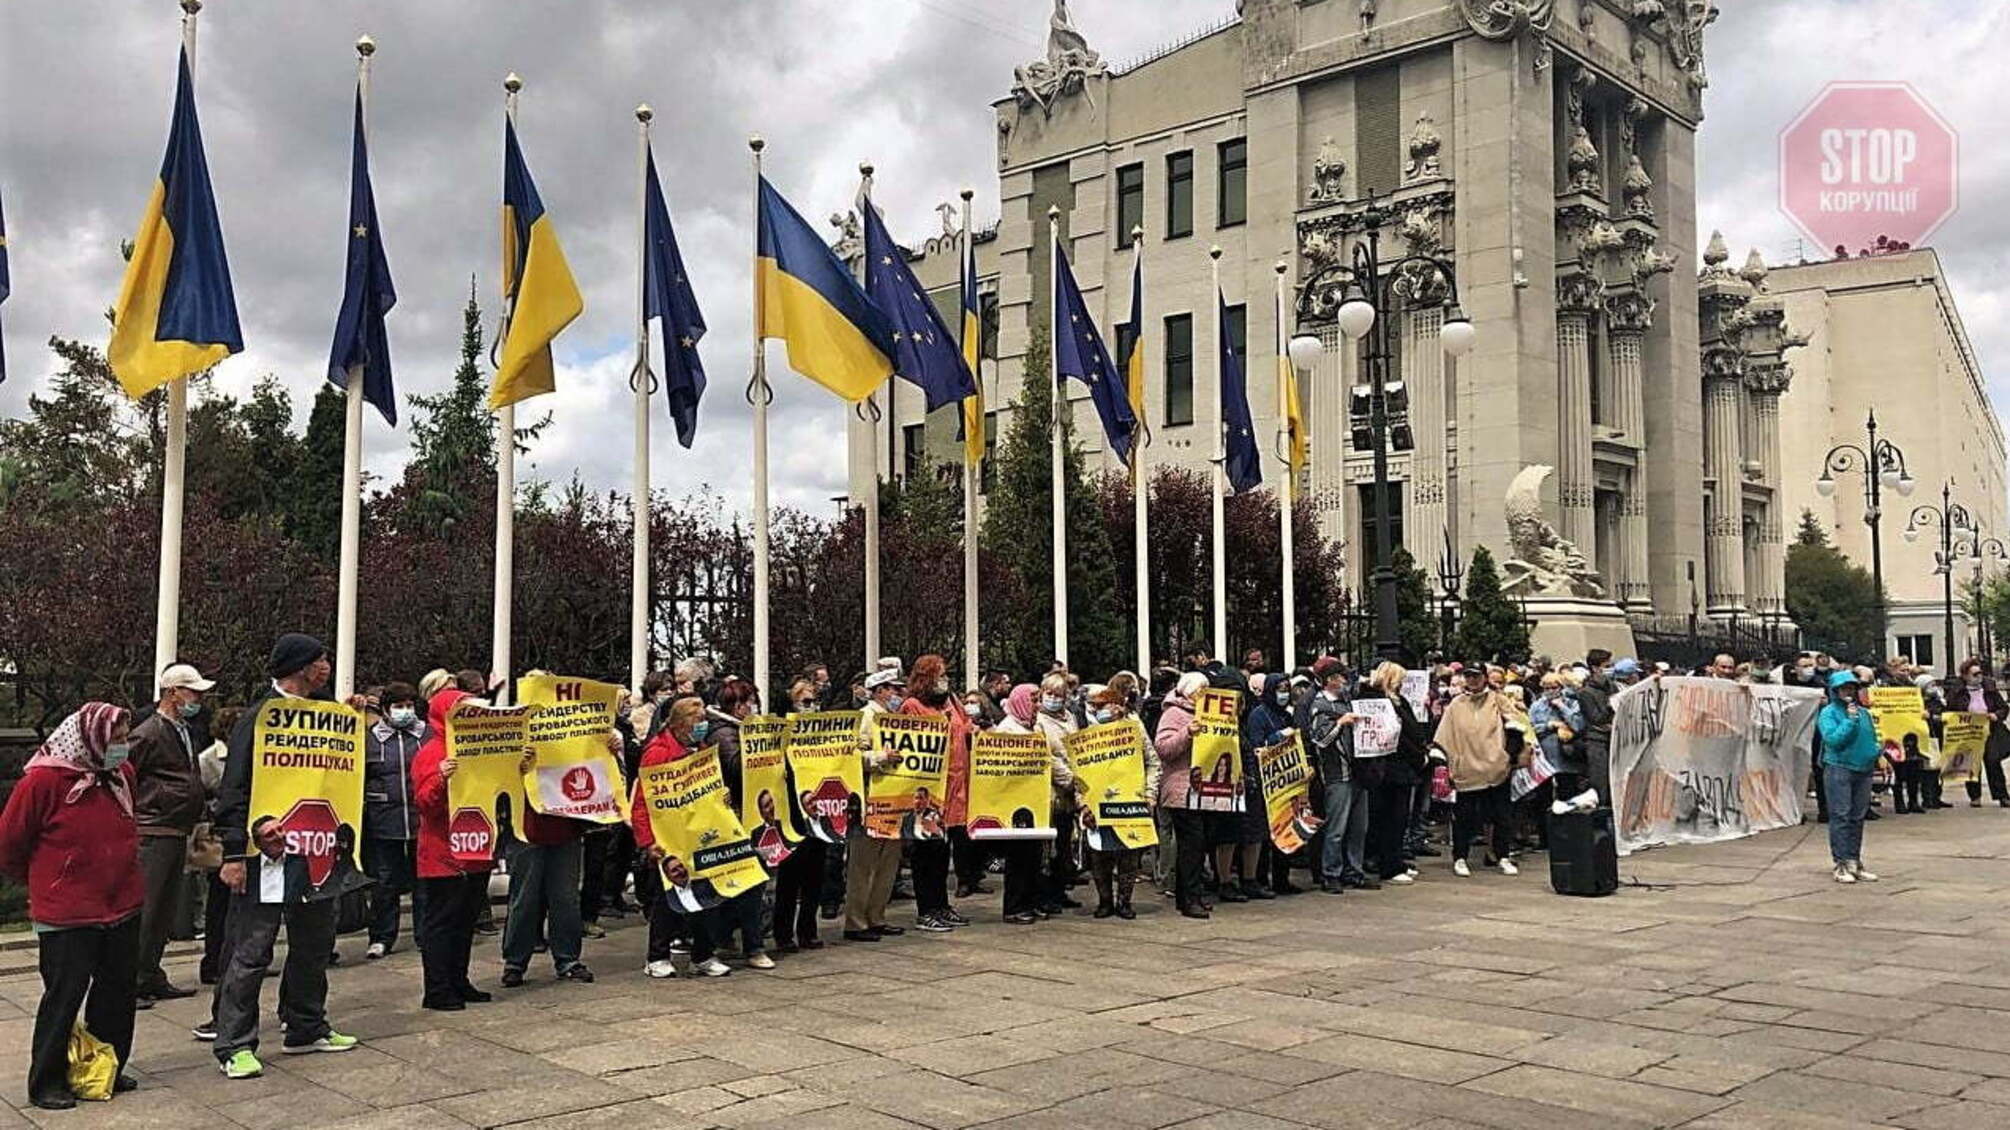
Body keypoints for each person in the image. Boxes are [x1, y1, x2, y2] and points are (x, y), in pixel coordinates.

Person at [209, 635, 362, 1079]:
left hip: (317, 854)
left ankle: (306, 1025)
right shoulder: (259, 719)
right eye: (320, 660)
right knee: (252, 950)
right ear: (298, 667)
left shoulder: (327, 715)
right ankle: (235, 1043)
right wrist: (235, 852)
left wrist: (351, 717)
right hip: (267, 855)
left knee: (314, 943)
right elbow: (234, 789)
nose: (327, 667)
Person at [0, 703, 142, 1110]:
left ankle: (106, 1066)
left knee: (117, 993)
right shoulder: (44, 781)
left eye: (124, 738)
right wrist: (46, 883)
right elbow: (10, 843)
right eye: (115, 738)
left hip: (121, 902)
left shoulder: (120, 776)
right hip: (68, 910)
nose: (123, 746)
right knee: (63, 996)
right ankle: (47, 1079)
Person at [634, 696, 770, 976]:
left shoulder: (701, 749)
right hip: (671, 837)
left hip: (701, 834)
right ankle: (657, 957)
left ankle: (703, 955)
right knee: (669, 897)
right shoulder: (658, 752)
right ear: (681, 724)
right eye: (697, 722)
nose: (702, 727)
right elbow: (642, 801)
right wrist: (647, 842)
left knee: (708, 895)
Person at [410, 685, 500, 1010]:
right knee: (442, 925)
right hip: (442, 853)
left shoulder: (478, 748)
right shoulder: (431, 754)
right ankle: (437, 989)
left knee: (464, 924)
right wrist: (440, 778)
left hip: (473, 851)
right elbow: (424, 804)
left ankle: (458, 981)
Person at [130, 663, 214, 1006]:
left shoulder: (182, 729)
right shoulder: (149, 732)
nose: (197, 699)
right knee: (149, 907)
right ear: (172, 692)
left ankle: (150, 973)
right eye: (191, 691)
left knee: (164, 909)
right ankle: (132, 978)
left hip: (175, 826)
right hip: (154, 828)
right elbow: (123, 772)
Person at [899, 655, 970, 933]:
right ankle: (926, 909)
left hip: (955, 789)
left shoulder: (951, 702)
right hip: (929, 792)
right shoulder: (912, 706)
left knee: (943, 853)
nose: (945, 680)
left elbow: (965, 729)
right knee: (926, 852)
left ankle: (941, 905)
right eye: (940, 675)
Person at [1079, 684, 1159, 918]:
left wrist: (1150, 793)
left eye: (1102, 706)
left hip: (1130, 800)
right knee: (1099, 853)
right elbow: (1078, 771)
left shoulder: (1134, 729)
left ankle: (1125, 901)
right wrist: (1082, 802)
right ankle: (1104, 901)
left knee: (1129, 854)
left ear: (1116, 705)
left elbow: (1152, 762)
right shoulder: (1086, 731)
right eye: (1095, 706)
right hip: (1097, 802)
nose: (1098, 710)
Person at [1435, 665, 1519, 878]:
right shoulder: (1456, 704)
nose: (1472, 680)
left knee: (1501, 815)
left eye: (1476, 676)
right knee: (1464, 815)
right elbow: (1444, 735)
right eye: (1468, 676)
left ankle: (1502, 855)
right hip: (1467, 768)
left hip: (1496, 767)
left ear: (1484, 677)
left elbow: (1516, 726)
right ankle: (1460, 857)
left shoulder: (1498, 700)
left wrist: (1507, 756)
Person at [843, 667, 908, 942]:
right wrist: (881, 756)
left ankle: (877, 916)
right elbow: (853, 755)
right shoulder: (866, 717)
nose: (898, 693)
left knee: (888, 863)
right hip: (870, 798)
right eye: (894, 688)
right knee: (864, 864)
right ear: (880, 690)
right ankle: (856, 921)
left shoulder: (893, 718)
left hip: (893, 798)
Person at [360, 681, 424, 960]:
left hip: (421, 820)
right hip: (384, 821)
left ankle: (426, 934)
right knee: (385, 882)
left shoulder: (426, 734)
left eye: (409, 706)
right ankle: (382, 937)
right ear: (386, 710)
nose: (405, 711)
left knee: (424, 882)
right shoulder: (370, 738)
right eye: (399, 706)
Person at [991, 686, 1058, 924]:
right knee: (1019, 857)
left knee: (1034, 857)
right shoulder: (1007, 728)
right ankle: (1014, 906)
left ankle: (1032, 900)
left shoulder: (1033, 726)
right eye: (1034, 700)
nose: (1038, 705)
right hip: (1015, 802)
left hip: (1035, 801)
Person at [772, 680, 828, 955]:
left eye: (815, 702)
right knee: (789, 876)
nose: (812, 708)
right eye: (805, 702)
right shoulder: (780, 734)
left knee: (815, 875)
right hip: (791, 812)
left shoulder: (824, 734)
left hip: (819, 812)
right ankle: (783, 933)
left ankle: (808, 929)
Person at [1358, 662, 1426, 886]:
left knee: (1398, 818)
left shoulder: (1398, 700)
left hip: (1402, 766)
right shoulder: (1378, 701)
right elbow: (1400, 734)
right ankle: (1389, 864)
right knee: (1391, 818)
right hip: (1390, 768)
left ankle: (1392, 859)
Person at [1153, 672, 1212, 918]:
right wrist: (1188, 732)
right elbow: (1163, 748)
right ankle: (1189, 898)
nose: (1205, 695)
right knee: (1191, 843)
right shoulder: (1174, 714)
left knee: (1196, 845)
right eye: (1201, 690)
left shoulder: (1208, 712)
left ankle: (1189, 896)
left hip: (1201, 787)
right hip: (1181, 788)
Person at [1305, 658, 1365, 894]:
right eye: (1341, 676)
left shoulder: (1348, 701)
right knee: (1336, 828)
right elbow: (1320, 739)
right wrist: (1340, 723)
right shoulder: (1320, 706)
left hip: (1358, 773)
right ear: (1330, 680)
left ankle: (1354, 870)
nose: (1345, 681)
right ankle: (1331, 873)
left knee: (1358, 827)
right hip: (1336, 773)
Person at [1817, 670, 1882, 884]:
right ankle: (1841, 862)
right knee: (1841, 815)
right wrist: (1849, 721)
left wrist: (1877, 752)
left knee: (1857, 815)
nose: (1849, 692)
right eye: (1844, 688)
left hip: (1863, 768)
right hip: (1839, 767)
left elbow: (1871, 736)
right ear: (1836, 691)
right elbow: (1833, 740)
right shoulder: (1828, 713)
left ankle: (1854, 859)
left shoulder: (1863, 713)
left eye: (1852, 688)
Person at [1031, 672, 1082, 915]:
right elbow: (1045, 756)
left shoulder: (1070, 717)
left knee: (1064, 845)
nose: (1053, 698)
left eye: (1058, 695)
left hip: (1069, 795)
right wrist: (1068, 777)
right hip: (1051, 790)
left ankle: (1060, 891)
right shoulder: (1038, 721)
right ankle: (1045, 895)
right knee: (1047, 848)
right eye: (1049, 693)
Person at [1944, 658, 2010, 807]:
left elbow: (2003, 707)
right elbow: (1950, 710)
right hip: (1968, 731)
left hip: (1989, 730)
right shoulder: (1957, 691)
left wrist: (1996, 715)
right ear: (1965, 675)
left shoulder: (1989, 688)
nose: (1979, 677)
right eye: (1975, 674)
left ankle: (2002, 796)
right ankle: (1975, 796)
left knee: (1993, 761)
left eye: (1980, 673)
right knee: (1972, 764)